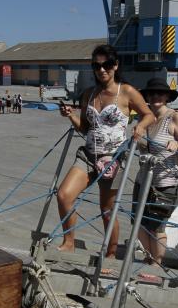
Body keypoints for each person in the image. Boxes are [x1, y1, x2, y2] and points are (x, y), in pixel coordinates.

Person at [56, 45, 154, 258]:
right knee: (63, 195)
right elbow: (84, 128)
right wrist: (71, 115)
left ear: (115, 65)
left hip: (114, 159)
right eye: (96, 65)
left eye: (107, 65)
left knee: (107, 211)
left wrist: (139, 126)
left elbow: (149, 115)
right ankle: (69, 242)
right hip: (88, 155)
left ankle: (110, 255)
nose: (102, 70)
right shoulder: (89, 94)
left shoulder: (126, 92)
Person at [132, 77, 178, 267]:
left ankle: (156, 263)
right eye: (151, 93)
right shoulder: (145, 119)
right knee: (138, 221)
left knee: (158, 225)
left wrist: (177, 144)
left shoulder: (174, 117)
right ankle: (149, 257)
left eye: (160, 93)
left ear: (167, 97)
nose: (155, 97)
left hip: (166, 182)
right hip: (143, 179)